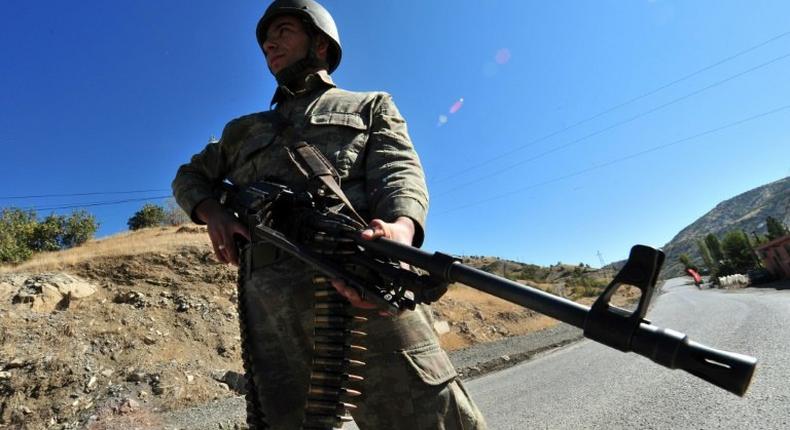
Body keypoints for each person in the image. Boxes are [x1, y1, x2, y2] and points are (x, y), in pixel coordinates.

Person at [172, 1, 487, 428]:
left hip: (358, 281)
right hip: (271, 310)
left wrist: (401, 227)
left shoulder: (370, 105)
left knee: (429, 414)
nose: (269, 43)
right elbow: (189, 176)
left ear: (320, 42)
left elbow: (399, 171)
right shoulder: (241, 131)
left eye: (283, 30)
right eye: (266, 39)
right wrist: (212, 213)